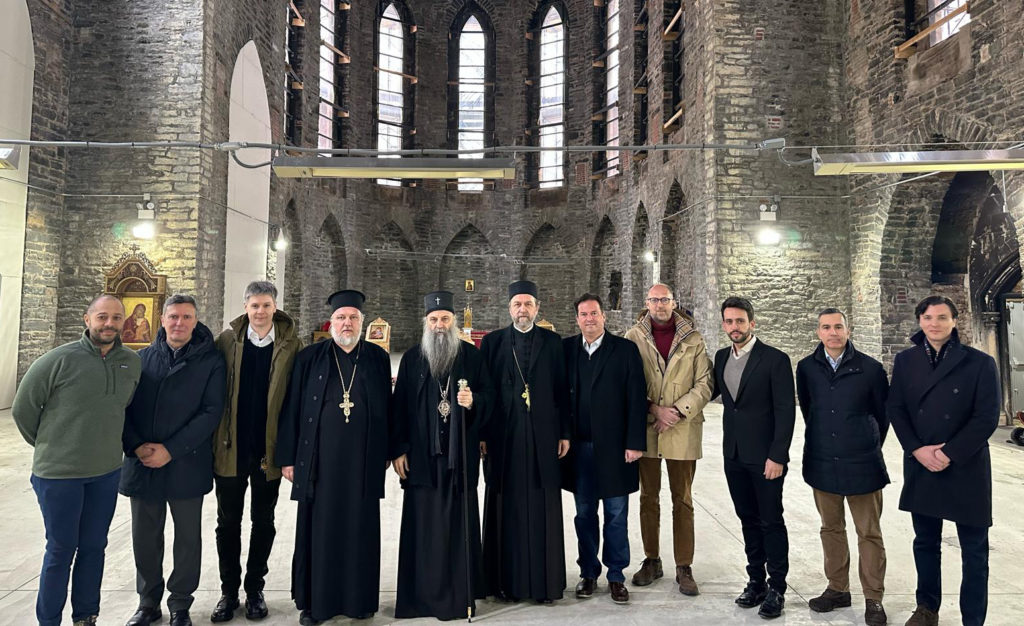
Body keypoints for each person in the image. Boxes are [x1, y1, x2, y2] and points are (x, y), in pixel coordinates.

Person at [13, 295, 141, 626]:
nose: (109, 324)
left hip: (106, 473)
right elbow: (23, 409)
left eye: (116, 318)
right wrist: (52, 445)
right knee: (60, 549)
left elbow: (123, 409)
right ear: (87, 319)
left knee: (94, 547)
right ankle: (49, 620)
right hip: (59, 475)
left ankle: (86, 616)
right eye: (102, 317)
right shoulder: (57, 360)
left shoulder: (131, 362)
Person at [276, 289, 393, 625]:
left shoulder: (377, 358)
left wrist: (387, 450)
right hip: (319, 463)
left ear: (363, 322)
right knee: (320, 531)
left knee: (361, 529)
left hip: (362, 462)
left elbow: (387, 408)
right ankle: (316, 604)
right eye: (341, 317)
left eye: (353, 317)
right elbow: (292, 409)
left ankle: (359, 601)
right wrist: (288, 458)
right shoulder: (309, 357)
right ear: (331, 322)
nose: (346, 323)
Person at [887, 295, 999, 626]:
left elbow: (986, 417)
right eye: (927, 317)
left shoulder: (979, 363)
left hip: (966, 464)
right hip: (922, 463)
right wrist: (917, 450)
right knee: (925, 542)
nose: (934, 323)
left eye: (941, 317)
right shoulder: (906, 360)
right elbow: (896, 408)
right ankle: (926, 609)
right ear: (919, 321)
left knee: (975, 551)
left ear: (954, 321)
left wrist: (949, 452)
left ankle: (973, 619)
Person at [120, 294, 227, 626]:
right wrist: (137, 446)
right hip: (143, 462)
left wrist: (171, 449)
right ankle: (148, 601)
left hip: (186, 460)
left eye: (186, 317)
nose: (179, 323)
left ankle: (180, 602)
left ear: (196, 322)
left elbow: (211, 412)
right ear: (162, 320)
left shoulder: (211, 362)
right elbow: (122, 408)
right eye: (173, 316)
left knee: (187, 539)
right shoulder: (140, 358)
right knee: (145, 536)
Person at [392, 291, 492, 620]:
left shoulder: (471, 357)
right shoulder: (411, 359)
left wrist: (473, 401)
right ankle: (420, 597)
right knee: (423, 526)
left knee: (457, 524)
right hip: (421, 459)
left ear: (454, 324)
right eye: (433, 320)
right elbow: (400, 409)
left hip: (458, 457)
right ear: (425, 323)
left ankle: (458, 593)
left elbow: (491, 399)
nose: (439, 325)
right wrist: (399, 449)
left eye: (445, 319)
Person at [209, 281, 301, 623]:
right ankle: (228, 591)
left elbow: (295, 399)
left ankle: (254, 589)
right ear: (245, 308)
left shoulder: (292, 344)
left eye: (266, 305)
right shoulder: (227, 341)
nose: (260, 311)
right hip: (231, 447)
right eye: (254, 306)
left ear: (275, 307)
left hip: (268, 450)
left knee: (263, 521)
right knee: (227, 522)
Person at [796, 308, 889, 626]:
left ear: (848, 331)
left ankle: (874, 598)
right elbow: (810, 410)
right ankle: (837, 589)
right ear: (818, 332)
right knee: (830, 529)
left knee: (869, 532)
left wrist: (865, 443)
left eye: (838, 326)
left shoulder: (871, 369)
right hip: (822, 460)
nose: (832, 332)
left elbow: (882, 416)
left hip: (862, 462)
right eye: (826, 327)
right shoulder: (806, 368)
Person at [479, 280, 570, 603]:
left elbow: (563, 393)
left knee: (542, 502)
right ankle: (502, 582)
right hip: (504, 436)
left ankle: (544, 584)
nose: (522, 309)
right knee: (507, 504)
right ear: (509, 309)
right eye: (517, 304)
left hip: (543, 436)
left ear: (537, 308)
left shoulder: (553, 342)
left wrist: (564, 433)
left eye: (528, 304)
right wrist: (482, 436)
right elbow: (485, 392)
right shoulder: (492, 343)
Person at [624, 283, 713, 596]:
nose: (659, 304)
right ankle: (652, 559)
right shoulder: (633, 337)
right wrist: (654, 410)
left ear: (674, 302)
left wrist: (676, 410)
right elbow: (627, 381)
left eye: (665, 299)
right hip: (647, 427)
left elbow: (705, 383)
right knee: (648, 497)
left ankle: (683, 565)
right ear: (646, 302)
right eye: (654, 299)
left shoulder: (694, 338)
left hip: (683, 426)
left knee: (683, 499)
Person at [712, 296, 794, 620]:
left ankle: (777, 588)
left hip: (765, 459)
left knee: (771, 521)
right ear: (724, 325)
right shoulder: (720, 357)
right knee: (747, 519)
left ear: (752, 323)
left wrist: (778, 456)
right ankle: (756, 581)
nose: (735, 327)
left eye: (740, 321)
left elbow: (786, 411)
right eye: (729, 322)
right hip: (733, 454)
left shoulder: (775, 359)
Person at [561, 293, 647, 605]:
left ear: (604, 317)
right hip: (579, 449)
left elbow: (637, 397)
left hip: (616, 449)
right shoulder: (566, 349)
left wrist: (635, 443)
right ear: (577, 319)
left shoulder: (624, 350)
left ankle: (615, 576)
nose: (589, 319)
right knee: (584, 514)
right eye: (583, 314)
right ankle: (588, 572)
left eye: (594, 313)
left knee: (616, 514)